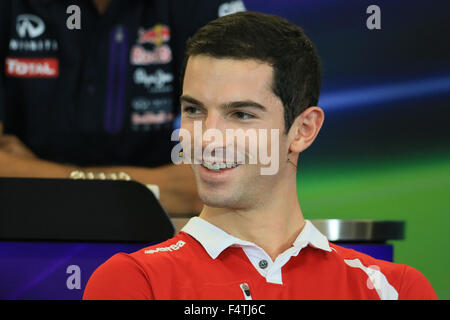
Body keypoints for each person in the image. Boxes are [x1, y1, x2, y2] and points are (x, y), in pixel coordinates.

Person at [83, 11, 438, 299]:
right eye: (194, 110)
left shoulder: (396, 289)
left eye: (241, 114)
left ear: (303, 130)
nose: (208, 138)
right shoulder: (133, 282)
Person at [0, 0, 246, 215]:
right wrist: (159, 185)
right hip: (26, 222)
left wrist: (39, 176)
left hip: (160, 228)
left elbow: (213, 184)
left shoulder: (199, 6)